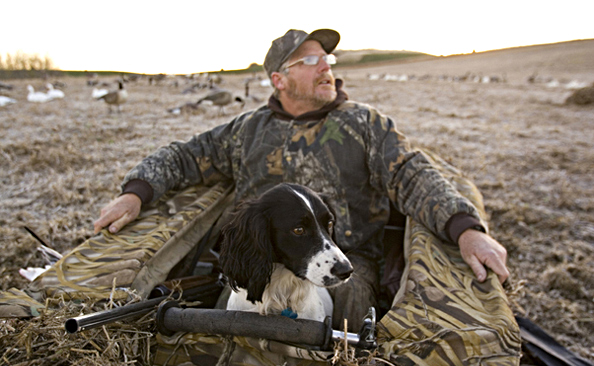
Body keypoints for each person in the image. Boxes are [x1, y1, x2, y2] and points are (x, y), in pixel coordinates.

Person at [93, 28, 508, 331]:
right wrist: (136, 193)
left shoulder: (365, 125)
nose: (326, 67)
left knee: (341, 336)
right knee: (221, 330)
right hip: (257, 262)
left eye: (328, 59)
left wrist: (466, 229)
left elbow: (412, 174)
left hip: (345, 262)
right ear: (279, 79)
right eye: (311, 61)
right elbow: (183, 156)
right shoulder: (247, 129)